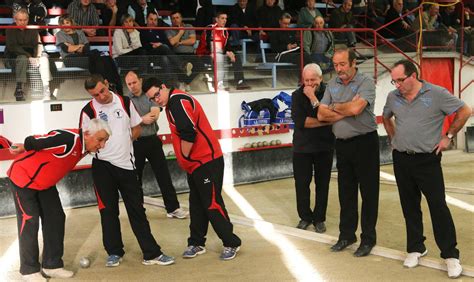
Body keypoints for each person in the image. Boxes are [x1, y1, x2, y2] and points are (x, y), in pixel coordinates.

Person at [382, 60, 471, 279]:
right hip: (401, 158)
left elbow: (464, 110)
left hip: (427, 160)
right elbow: (386, 117)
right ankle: (416, 248)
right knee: (409, 205)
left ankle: (451, 255)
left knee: (438, 206)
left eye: (400, 80)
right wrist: (394, 138)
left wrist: (448, 137)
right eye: (394, 80)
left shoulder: (437, 93)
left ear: (413, 76)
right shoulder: (393, 97)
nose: (397, 85)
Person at [79, 74, 175, 267]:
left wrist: (124, 142)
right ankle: (114, 252)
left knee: (137, 210)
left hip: (126, 165)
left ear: (107, 84)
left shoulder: (124, 102)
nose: (101, 97)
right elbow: (85, 141)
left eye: (102, 91)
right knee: (108, 212)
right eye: (95, 95)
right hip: (102, 168)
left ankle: (151, 253)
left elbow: (137, 127)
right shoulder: (88, 110)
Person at [142, 77, 242, 261]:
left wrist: (185, 156)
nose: (156, 100)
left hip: (206, 162)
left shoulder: (177, 101)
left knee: (211, 203)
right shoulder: (172, 104)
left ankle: (231, 242)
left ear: (164, 86)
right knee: (196, 204)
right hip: (196, 165)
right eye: (152, 99)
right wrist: (187, 162)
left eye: (157, 94)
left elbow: (189, 132)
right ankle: (197, 242)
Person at [7, 118, 111, 281]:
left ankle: (52, 265)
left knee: (55, 218)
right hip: (23, 179)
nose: (102, 145)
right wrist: (25, 145)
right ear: (87, 133)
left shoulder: (85, 146)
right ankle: (29, 270)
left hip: (44, 183)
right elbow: (37, 140)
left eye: (105, 141)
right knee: (30, 221)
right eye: (100, 140)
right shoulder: (70, 138)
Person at [317, 47, 380, 257]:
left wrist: (335, 107)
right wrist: (344, 108)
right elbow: (321, 114)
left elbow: (356, 110)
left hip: (366, 143)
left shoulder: (366, 82)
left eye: (342, 64)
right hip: (342, 145)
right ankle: (347, 235)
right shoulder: (332, 84)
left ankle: (368, 239)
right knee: (346, 191)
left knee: (369, 193)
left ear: (353, 63)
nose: (339, 69)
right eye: (335, 65)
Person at [125, 71, 188, 219]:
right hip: (136, 143)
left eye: (134, 82)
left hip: (153, 140)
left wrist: (137, 119)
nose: (132, 86)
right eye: (129, 84)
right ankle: (138, 210)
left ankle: (173, 208)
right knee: (135, 178)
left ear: (140, 80)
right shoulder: (126, 100)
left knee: (163, 175)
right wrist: (141, 119)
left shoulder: (150, 94)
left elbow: (154, 115)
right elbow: (126, 122)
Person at [291, 63, 335, 233]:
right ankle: (305, 217)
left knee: (322, 184)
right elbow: (302, 122)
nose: (309, 84)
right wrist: (325, 121)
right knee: (302, 184)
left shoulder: (330, 92)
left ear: (320, 78)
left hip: (325, 146)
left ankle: (319, 218)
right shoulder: (296, 95)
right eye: (306, 80)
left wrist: (313, 99)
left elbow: (330, 115)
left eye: (313, 80)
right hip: (302, 148)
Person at [196, 11, 251, 90]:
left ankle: (240, 82)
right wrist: (226, 52)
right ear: (216, 19)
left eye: (225, 19)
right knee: (219, 56)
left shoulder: (225, 31)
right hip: (204, 55)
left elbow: (227, 45)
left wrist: (231, 52)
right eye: (222, 18)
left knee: (236, 56)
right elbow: (211, 46)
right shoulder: (210, 28)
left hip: (218, 54)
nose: (224, 20)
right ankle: (219, 84)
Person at [5, 8, 52, 101]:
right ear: (15, 19)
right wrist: (29, 56)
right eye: (20, 20)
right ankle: (19, 88)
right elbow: (12, 47)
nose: (22, 22)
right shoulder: (10, 29)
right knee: (22, 58)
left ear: (28, 20)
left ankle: (47, 89)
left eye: (25, 20)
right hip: (13, 57)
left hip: (31, 56)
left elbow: (38, 44)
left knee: (44, 59)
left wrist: (37, 57)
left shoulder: (32, 29)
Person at [140, 11, 193, 89]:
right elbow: (142, 45)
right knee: (164, 47)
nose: (153, 22)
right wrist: (154, 46)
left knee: (165, 57)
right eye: (151, 19)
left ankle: (170, 84)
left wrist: (159, 44)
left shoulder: (160, 30)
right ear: (146, 19)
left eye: (155, 20)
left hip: (161, 55)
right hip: (150, 54)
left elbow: (168, 43)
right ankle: (182, 65)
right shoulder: (142, 30)